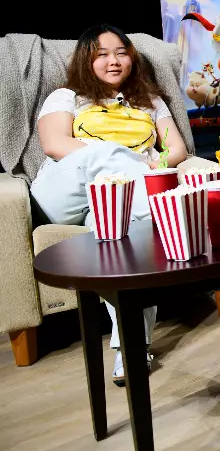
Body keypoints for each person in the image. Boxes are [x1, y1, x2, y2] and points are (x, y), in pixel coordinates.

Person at [31, 24, 188, 387]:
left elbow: (176, 149)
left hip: (117, 198)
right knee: (106, 156)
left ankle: (131, 348)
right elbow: (55, 144)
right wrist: (129, 162)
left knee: (126, 236)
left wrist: (153, 166)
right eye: (101, 54)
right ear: (85, 61)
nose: (113, 61)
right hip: (66, 188)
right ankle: (166, 224)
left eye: (120, 52)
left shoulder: (150, 101)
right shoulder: (66, 97)